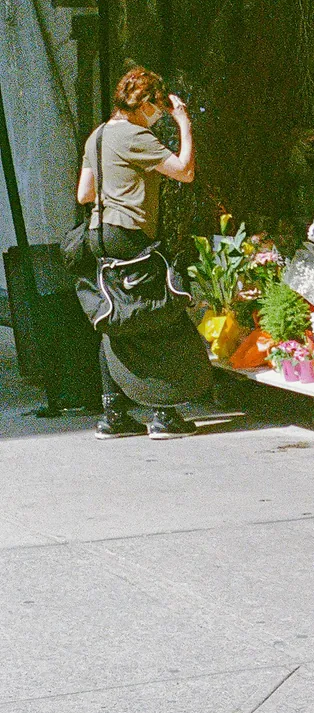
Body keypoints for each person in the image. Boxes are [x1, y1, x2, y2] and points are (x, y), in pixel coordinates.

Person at [77, 64, 210, 439]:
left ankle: (113, 415)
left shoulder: (97, 136)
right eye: (157, 106)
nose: (159, 114)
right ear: (145, 103)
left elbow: (84, 194)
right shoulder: (135, 135)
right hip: (130, 232)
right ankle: (163, 415)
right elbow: (184, 171)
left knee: (114, 316)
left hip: (99, 234)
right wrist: (183, 123)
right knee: (156, 312)